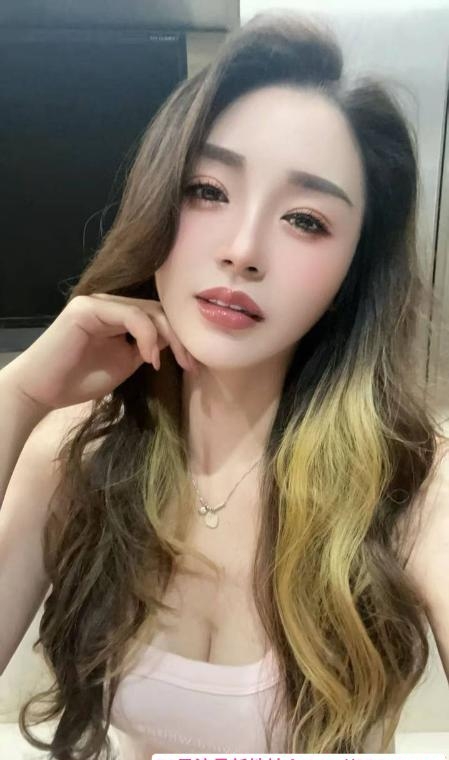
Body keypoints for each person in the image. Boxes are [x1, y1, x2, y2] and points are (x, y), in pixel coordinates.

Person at [1, 9, 448, 759]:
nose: (242, 250)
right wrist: (18, 396)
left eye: (305, 220)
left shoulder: (415, 481)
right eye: (207, 190)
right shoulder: (75, 457)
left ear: (351, 272)